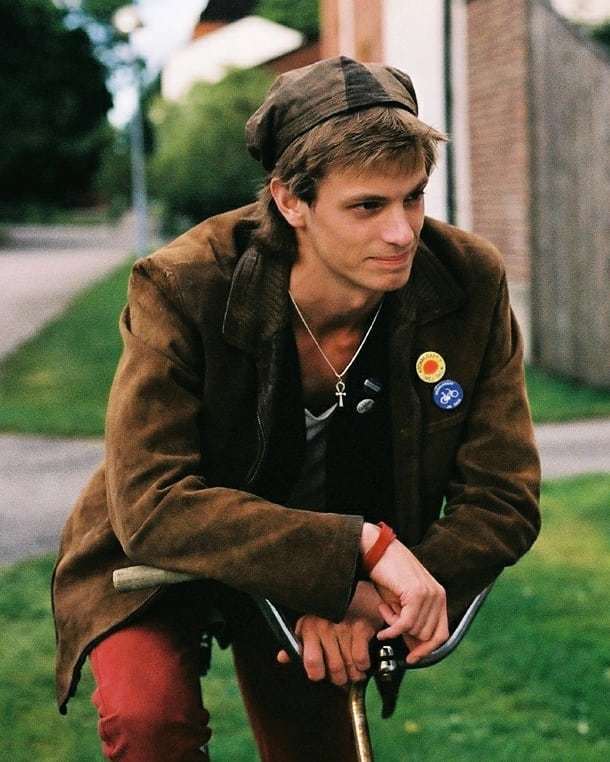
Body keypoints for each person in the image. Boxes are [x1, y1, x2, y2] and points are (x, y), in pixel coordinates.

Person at [52, 56, 541, 761]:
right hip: (163, 557)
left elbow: (503, 496)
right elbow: (152, 504)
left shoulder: (467, 280)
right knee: (149, 722)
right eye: (367, 206)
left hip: (326, 576)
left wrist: (372, 597)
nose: (402, 232)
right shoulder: (184, 285)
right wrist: (361, 554)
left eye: (413, 197)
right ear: (290, 201)